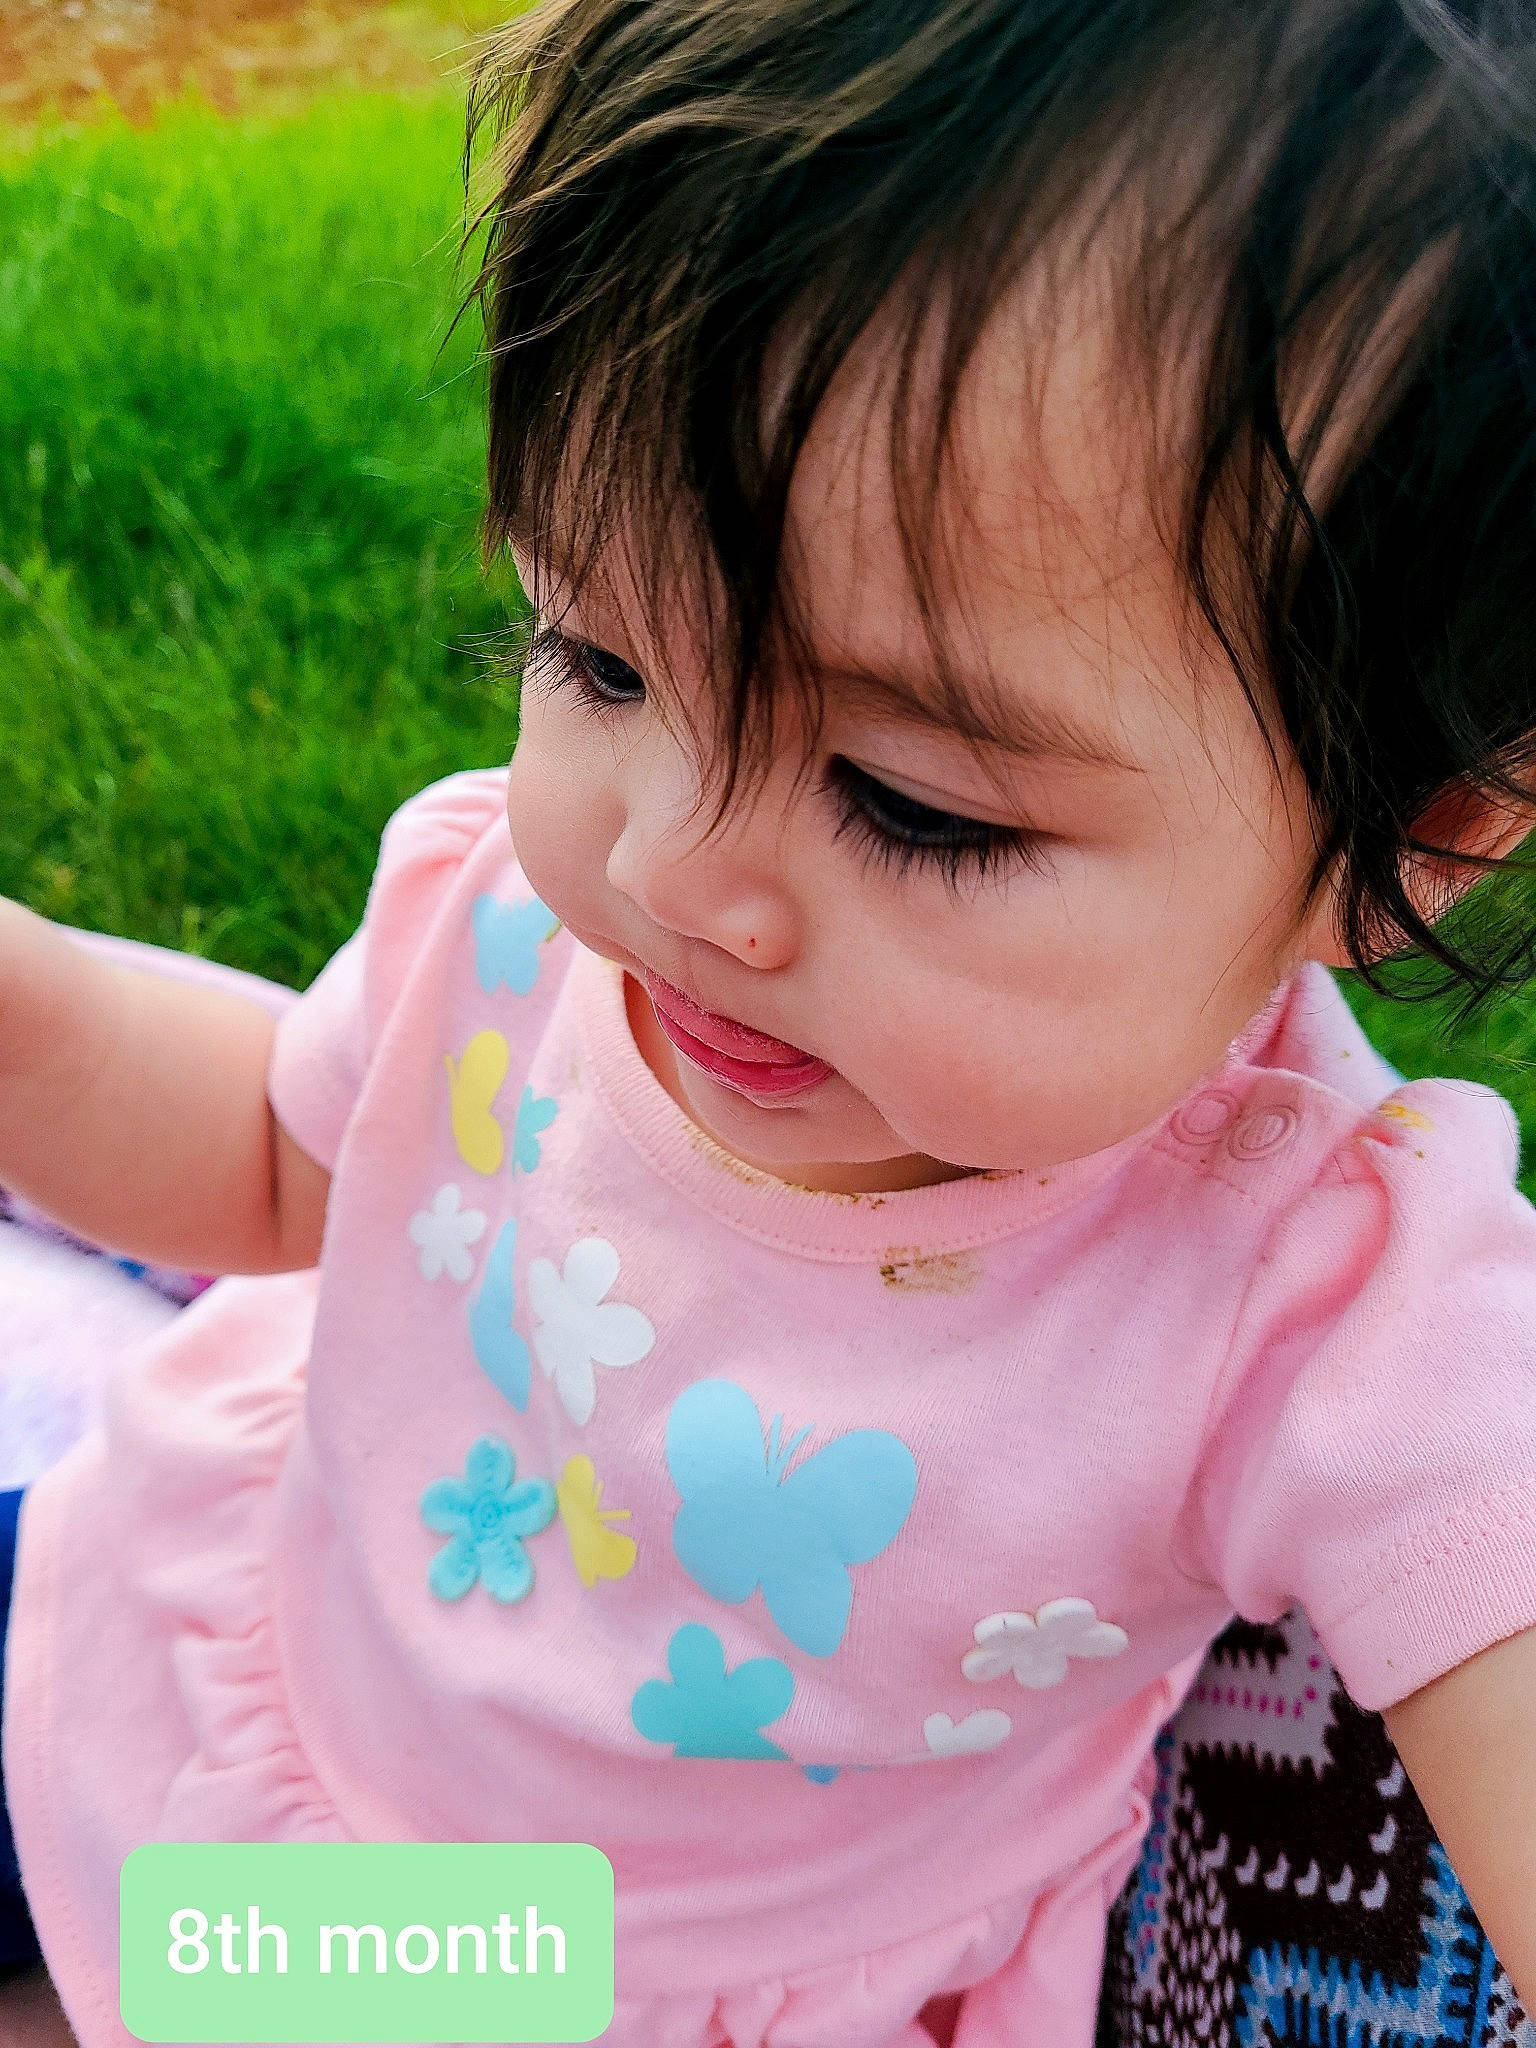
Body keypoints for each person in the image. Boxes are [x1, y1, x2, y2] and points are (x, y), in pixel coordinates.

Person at [4, 1, 1536, 2042]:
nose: (669, 874)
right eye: (601, 654)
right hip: (206, 1634)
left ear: (1408, 832)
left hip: (558, 1973)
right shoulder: (521, 904)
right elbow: (279, 1158)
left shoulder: (1327, 1293)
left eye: (912, 804)